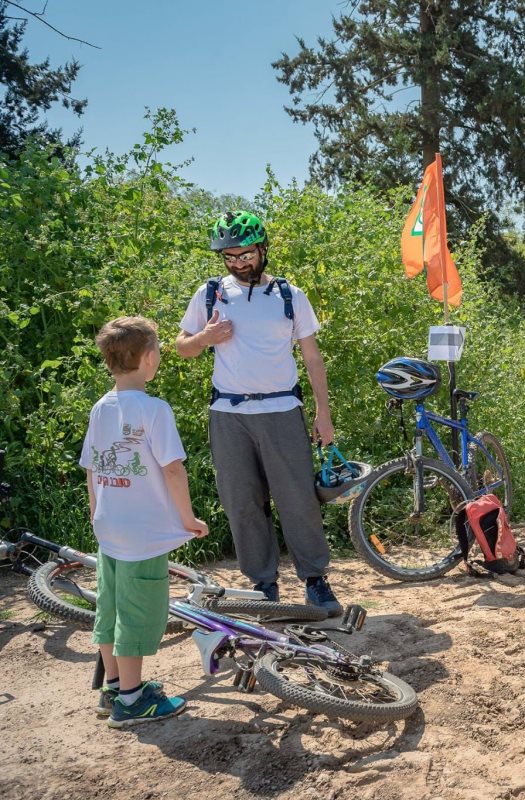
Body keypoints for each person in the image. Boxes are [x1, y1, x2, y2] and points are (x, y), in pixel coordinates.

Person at [176, 211, 341, 616]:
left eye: (245, 254)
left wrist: (323, 413)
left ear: (263, 249)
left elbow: (313, 357)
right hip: (228, 414)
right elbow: (182, 346)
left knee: (298, 499)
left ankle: (316, 581)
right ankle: (263, 586)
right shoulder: (211, 293)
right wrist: (205, 337)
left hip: (283, 409)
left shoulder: (290, 295)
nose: (237, 263)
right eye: (229, 256)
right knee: (242, 502)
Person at [81, 316, 209, 728]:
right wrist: (187, 519)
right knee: (138, 611)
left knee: (111, 606)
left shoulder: (102, 407)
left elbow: (91, 468)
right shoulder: (155, 409)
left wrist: (96, 511)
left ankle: (115, 688)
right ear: (151, 358)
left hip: (109, 526)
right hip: (141, 534)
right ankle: (133, 703)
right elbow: (173, 470)